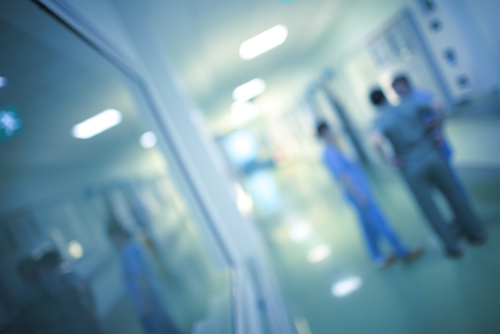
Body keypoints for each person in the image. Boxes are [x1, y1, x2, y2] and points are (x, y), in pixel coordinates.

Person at [370, 89, 486, 258]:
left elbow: (376, 142)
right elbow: (437, 105)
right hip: (432, 155)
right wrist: (438, 132)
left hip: (411, 167)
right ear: (386, 96)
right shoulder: (407, 105)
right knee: (454, 195)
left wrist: (390, 160)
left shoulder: (380, 120)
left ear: (374, 105)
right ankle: (476, 233)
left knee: (430, 209)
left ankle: (453, 247)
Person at [317, 121, 422, 268]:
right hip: (358, 193)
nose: (332, 133)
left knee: (367, 227)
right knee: (380, 222)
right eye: (328, 131)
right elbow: (343, 177)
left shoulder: (335, 149)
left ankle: (377, 257)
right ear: (323, 134)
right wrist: (361, 197)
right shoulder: (330, 153)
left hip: (358, 191)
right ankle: (402, 251)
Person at [107, 220, 182, 334]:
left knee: (162, 329)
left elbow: (139, 277)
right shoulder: (133, 246)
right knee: (168, 327)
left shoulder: (128, 251)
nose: (112, 244)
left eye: (112, 240)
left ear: (116, 236)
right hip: (153, 299)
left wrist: (146, 306)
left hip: (149, 303)